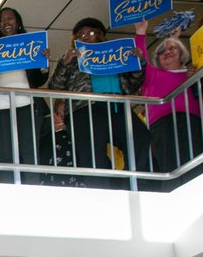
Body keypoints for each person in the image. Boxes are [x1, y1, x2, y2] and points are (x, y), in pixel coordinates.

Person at [49, 16, 151, 188]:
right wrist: (65, 62)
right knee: (92, 154)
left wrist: (138, 61)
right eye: (80, 34)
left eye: (90, 32)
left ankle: (137, 185)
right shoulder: (71, 60)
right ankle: (100, 191)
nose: (85, 36)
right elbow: (55, 86)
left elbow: (132, 84)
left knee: (140, 138)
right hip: (85, 109)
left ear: (100, 35)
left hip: (116, 106)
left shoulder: (116, 55)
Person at [133, 19, 203, 186]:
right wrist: (141, 33)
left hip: (192, 122)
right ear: (158, 58)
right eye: (162, 51)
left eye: (172, 48)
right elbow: (138, 58)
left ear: (181, 52)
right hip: (162, 124)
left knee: (195, 163)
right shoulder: (153, 74)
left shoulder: (193, 72)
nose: (167, 52)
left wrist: (198, 82)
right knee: (169, 165)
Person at [0, 7, 50, 183]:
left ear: (17, 23)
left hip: (28, 104)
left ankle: (32, 190)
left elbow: (40, 79)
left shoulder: (30, 47)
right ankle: (8, 192)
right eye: (2, 20)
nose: (6, 22)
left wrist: (44, 62)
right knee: (6, 153)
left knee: (29, 152)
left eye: (10, 19)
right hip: (1, 105)